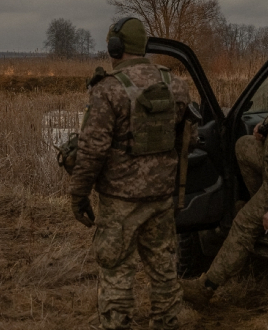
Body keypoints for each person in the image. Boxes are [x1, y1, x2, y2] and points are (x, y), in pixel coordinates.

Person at [70, 17, 195, 330]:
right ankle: (166, 323)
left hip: (120, 201)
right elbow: (184, 141)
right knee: (164, 269)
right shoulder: (176, 85)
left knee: (116, 271)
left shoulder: (108, 90)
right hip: (162, 197)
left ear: (115, 47)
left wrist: (79, 193)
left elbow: (92, 150)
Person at [180, 63, 268, 307]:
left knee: (241, 224)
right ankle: (257, 204)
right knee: (243, 144)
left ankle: (205, 287)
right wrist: (263, 129)